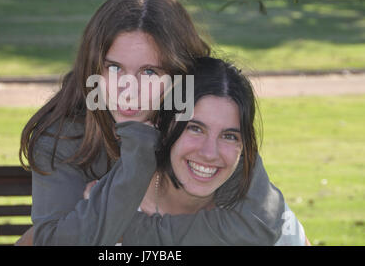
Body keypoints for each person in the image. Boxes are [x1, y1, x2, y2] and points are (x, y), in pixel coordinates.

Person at [18, 0, 287, 246]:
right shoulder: (64, 137)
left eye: (149, 72)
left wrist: (128, 230)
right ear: (93, 68)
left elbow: (259, 225)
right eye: (114, 68)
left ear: (180, 77)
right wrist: (139, 150)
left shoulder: (199, 122)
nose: (128, 89)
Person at [83, 57, 309, 245]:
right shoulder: (105, 212)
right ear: (164, 123)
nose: (209, 153)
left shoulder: (267, 220)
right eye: (195, 129)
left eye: (229, 136)